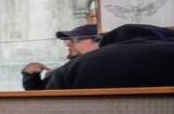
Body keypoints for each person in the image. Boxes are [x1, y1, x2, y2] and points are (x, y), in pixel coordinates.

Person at [45, 24, 174, 89]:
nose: (69, 46)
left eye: (73, 41)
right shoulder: (72, 68)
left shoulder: (73, 69)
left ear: (96, 39)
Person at [21, 24, 99, 90]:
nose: (69, 45)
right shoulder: (69, 69)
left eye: (75, 40)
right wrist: (31, 75)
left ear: (97, 41)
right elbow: (41, 94)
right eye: (68, 41)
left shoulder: (95, 67)